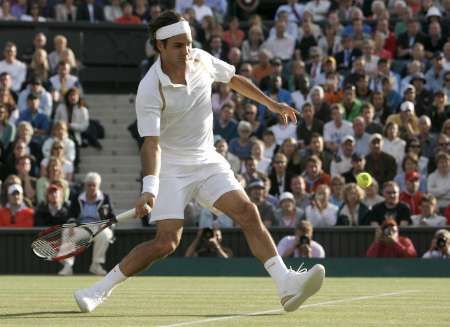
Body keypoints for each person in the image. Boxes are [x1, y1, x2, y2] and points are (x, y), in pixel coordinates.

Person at [74, 11, 324, 313]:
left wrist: (271, 103)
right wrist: (149, 188)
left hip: (207, 160)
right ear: (160, 47)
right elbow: (150, 144)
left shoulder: (202, 60)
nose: (186, 51)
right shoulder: (149, 88)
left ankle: (286, 284)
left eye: (188, 43)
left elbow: (232, 79)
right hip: (170, 168)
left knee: (247, 211)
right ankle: (99, 290)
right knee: (166, 243)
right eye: (178, 46)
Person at [66, 172, 115, 276]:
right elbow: (71, 215)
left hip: (98, 228)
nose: (91, 187)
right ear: (85, 185)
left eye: (94, 185)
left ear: (98, 186)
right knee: (67, 232)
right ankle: (67, 265)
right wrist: (71, 225)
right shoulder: (76, 197)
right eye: (89, 185)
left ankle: (96, 265)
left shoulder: (105, 198)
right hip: (81, 227)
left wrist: (106, 224)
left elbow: (112, 217)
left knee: (105, 234)